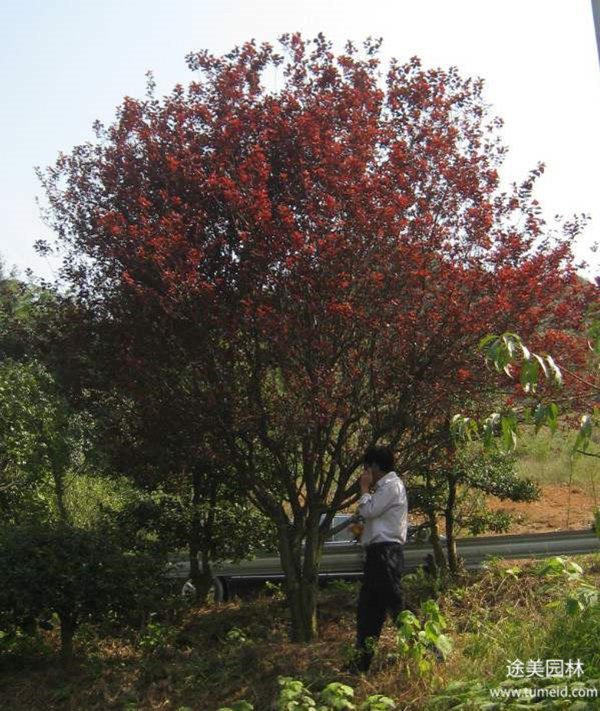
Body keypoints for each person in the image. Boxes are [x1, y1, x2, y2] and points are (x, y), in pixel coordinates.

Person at [350, 445, 408, 673]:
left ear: (374, 466)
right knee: (368, 610)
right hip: (377, 555)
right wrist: (360, 530)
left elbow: (369, 511)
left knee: (397, 605)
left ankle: (430, 651)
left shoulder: (392, 485)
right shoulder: (383, 489)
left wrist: (364, 489)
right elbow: (373, 518)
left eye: (366, 468)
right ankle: (360, 663)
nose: (365, 474)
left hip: (387, 554)